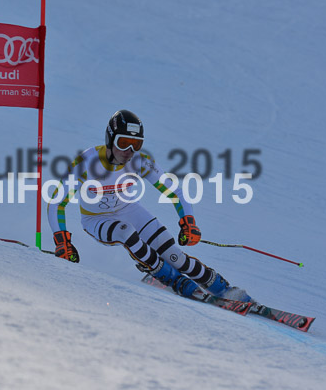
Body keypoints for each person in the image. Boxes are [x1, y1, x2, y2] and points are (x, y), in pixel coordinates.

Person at [46, 109, 252, 302]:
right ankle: (171, 278)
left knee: (175, 255)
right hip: (97, 219)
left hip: (129, 210)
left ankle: (223, 289)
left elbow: (176, 191)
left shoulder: (140, 162)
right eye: (124, 142)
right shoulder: (87, 162)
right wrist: (62, 241)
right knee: (125, 232)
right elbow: (57, 203)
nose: (129, 151)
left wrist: (188, 221)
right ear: (110, 138)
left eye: (135, 144)